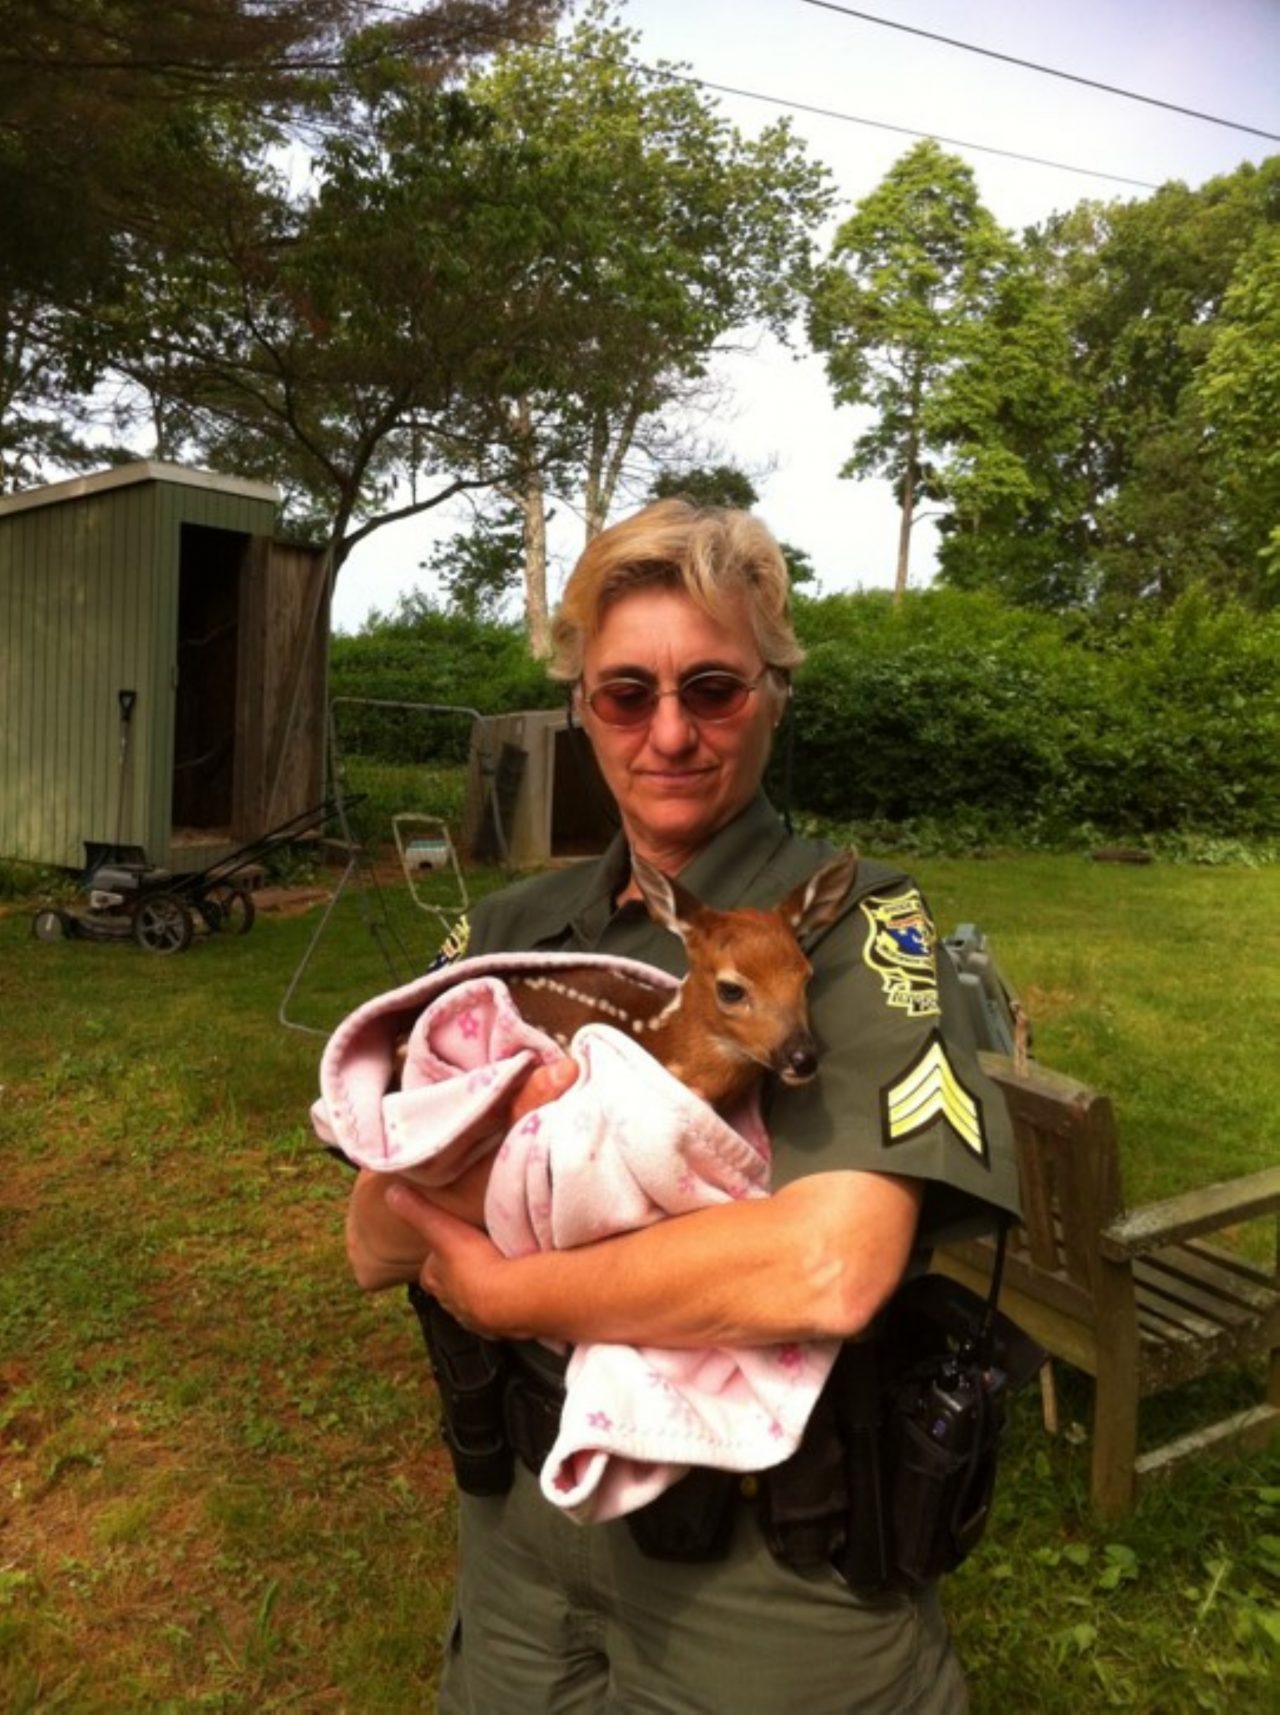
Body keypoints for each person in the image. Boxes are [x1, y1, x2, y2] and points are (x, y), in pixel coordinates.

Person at [343, 499, 1020, 1714]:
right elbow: (369, 1232)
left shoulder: (867, 924)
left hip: (760, 1554)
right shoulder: (512, 933)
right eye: (624, 694)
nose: (668, 733)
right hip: (522, 1514)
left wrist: (503, 1283)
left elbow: (825, 1267)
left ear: (771, 697)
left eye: (711, 688)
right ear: (582, 715)